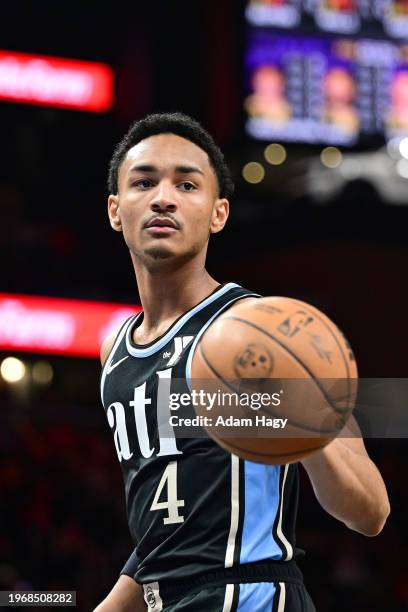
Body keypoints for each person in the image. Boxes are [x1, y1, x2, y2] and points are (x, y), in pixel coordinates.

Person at [94, 112, 390, 611]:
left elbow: (370, 511)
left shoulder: (258, 327)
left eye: (187, 184)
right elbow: (162, 543)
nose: (163, 197)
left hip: (252, 594)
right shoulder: (116, 352)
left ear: (218, 213)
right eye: (143, 182)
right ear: (116, 210)